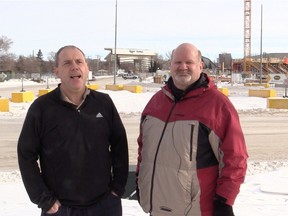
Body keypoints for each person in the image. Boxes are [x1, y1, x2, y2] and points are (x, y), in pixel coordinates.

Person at [136, 43, 248, 216]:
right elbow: (143, 148)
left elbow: (236, 157)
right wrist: (139, 179)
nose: (183, 67)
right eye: (178, 62)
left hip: (196, 209)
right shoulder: (156, 103)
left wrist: (225, 199)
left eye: (189, 62)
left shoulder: (217, 105)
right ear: (170, 65)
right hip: (157, 207)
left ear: (200, 65)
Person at [17, 45, 129, 216]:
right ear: (57, 72)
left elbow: (119, 145)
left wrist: (117, 188)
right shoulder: (41, 108)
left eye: (79, 61)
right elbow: (26, 155)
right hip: (61, 209)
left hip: (104, 205)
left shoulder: (104, 103)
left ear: (86, 68)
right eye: (67, 63)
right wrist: (43, 199)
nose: (74, 66)